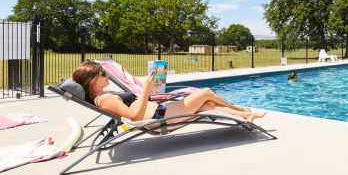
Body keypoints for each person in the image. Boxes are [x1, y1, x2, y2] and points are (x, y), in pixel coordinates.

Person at [72, 61, 265, 123]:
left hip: (164, 109)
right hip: (162, 116)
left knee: (209, 104)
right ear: (92, 80)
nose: (107, 75)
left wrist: (149, 90)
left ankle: (245, 114)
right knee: (206, 91)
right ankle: (245, 111)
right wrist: (146, 90)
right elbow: (134, 117)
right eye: (103, 73)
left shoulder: (106, 95)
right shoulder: (104, 99)